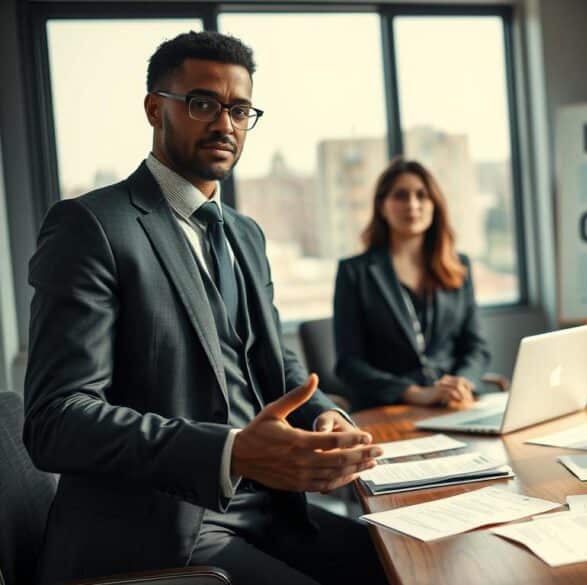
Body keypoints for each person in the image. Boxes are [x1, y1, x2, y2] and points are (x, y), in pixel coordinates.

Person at [23, 31, 386, 584]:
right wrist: (232, 452)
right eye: (202, 104)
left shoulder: (246, 233)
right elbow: (58, 420)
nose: (225, 125)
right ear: (154, 109)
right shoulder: (90, 226)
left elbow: (271, 363)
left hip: (269, 508)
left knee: (397, 567)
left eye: (239, 110)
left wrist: (325, 417)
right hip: (161, 529)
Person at [333, 158, 492, 411]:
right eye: (401, 196)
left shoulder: (459, 266)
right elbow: (349, 364)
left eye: (422, 195)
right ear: (382, 206)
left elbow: (476, 348)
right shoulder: (355, 272)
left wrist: (462, 383)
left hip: (453, 404)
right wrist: (414, 393)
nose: (413, 205)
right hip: (390, 407)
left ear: (435, 205)